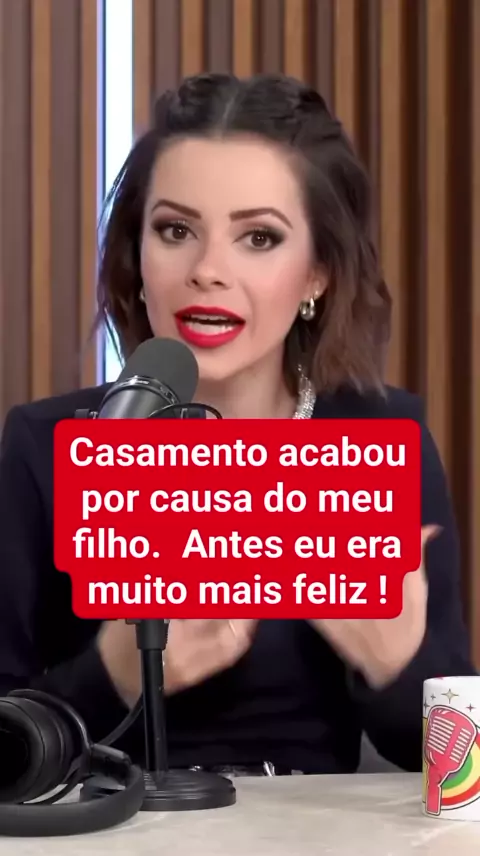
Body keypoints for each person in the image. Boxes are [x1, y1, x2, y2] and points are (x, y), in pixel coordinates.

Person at [0, 73, 475, 777]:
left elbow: (462, 768)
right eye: (176, 231)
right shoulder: (45, 445)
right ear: (136, 258)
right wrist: (115, 674)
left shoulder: (380, 438)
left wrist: (399, 666)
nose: (208, 270)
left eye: (258, 237)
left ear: (316, 275)